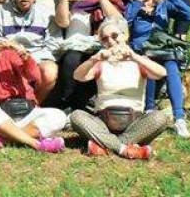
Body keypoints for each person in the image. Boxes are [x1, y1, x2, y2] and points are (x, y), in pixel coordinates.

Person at [70, 17, 169, 160]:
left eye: (114, 36)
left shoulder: (139, 61)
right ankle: (124, 149)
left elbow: (161, 73)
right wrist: (95, 58)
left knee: (160, 118)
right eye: (104, 39)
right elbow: (78, 76)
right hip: (103, 121)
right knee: (76, 116)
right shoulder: (100, 63)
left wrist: (134, 56)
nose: (110, 41)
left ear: (125, 35)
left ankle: (105, 145)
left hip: (133, 123)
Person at [125, 0, 190, 138]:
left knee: (172, 68)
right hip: (141, 50)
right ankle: (149, 111)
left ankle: (179, 119)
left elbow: (188, 14)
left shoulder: (164, 5)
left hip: (163, 50)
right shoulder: (133, 5)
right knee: (149, 65)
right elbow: (125, 21)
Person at [54, 0, 124, 110]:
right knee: (71, 60)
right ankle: (69, 104)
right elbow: (62, 22)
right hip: (76, 46)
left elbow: (117, 20)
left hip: (103, 45)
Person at [0, 41, 67, 153]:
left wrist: (24, 56)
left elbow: (34, 76)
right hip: (1, 120)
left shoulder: (7, 54)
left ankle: (2, 140)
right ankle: (36, 143)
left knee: (59, 116)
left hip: (25, 113)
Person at [0, 0, 61, 103]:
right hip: (9, 55)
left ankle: (34, 103)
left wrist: (31, 58)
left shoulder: (46, 14)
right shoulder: (1, 13)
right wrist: (12, 51)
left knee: (50, 72)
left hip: (38, 55)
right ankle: (8, 104)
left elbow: (55, 43)